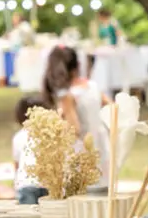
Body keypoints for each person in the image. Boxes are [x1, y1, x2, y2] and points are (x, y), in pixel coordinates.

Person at [43, 45, 111, 190]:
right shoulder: (93, 86)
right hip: (101, 148)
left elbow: (74, 129)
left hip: (81, 154)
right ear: (78, 65)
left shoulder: (68, 96)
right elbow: (112, 107)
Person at [12, 95, 50, 204]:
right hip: (47, 183)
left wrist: (16, 184)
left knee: (29, 217)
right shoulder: (50, 136)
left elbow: (17, 165)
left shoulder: (19, 136)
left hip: (26, 184)